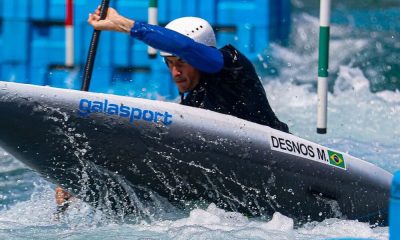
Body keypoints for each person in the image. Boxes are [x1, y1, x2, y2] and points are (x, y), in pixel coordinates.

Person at [55, 6, 289, 212]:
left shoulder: (231, 65)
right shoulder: (191, 104)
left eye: (182, 63)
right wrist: (81, 181)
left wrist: (124, 24)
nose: (175, 72)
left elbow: (185, 46)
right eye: (170, 63)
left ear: (198, 57)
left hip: (280, 157)